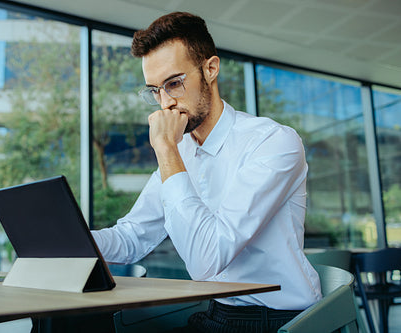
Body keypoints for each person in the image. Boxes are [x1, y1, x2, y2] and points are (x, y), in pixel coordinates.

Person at [92, 11, 321, 333]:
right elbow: (132, 237)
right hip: (217, 312)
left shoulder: (272, 142)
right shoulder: (180, 151)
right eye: (155, 91)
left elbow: (205, 260)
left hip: (279, 321)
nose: (165, 103)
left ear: (210, 69)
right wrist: (70, 243)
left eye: (174, 83)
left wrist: (166, 151)